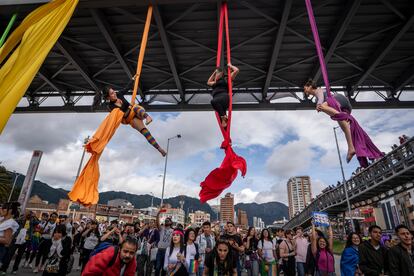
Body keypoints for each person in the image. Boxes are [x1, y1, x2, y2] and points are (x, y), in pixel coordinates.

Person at [303, 79, 383, 167]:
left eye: (305, 88)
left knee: (323, 106)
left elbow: (321, 96)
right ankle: (351, 148)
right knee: (344, 127)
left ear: (310, 86)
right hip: (343, 106)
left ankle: (345, 118)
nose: (305, 91)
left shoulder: (318, 90)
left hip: (338, 99)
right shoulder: (317, 98)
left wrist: (319, 104)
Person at [93, 77, 166, 156]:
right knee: (145, 132)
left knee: (135, 107)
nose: (114, 94)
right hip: (128, 119)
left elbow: (127, 88)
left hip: (136, 111)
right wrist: (129, 107)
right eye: (112, 94)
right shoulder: (110, 106)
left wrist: (133, 79)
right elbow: (124, 115)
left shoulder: (119, 94)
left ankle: (147, 117)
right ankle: (159, 149)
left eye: (114, 92)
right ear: (108, 97)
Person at [207, 63, 239, 128]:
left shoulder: (226, 79)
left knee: (213, 102)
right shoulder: (214, 83)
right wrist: (214, 72)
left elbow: (236, 70)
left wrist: (230, 66)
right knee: (223, 124)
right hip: (218, 101)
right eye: (216, 74)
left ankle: (224, 117)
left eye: (218, 73)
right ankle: (224, 120)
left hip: (223, 98)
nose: (216, 75)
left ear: (221, 74)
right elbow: (208, 82)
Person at [155, 210, 173, 276]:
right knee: (157, 267)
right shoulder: (161, 228)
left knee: (164, 268)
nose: (166, 221)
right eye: (166, 220)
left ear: (171, 222)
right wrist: (158, 214)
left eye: (168, 220)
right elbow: (157, 223)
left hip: (167, 251)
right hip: (160, 250)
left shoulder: (173, 231)